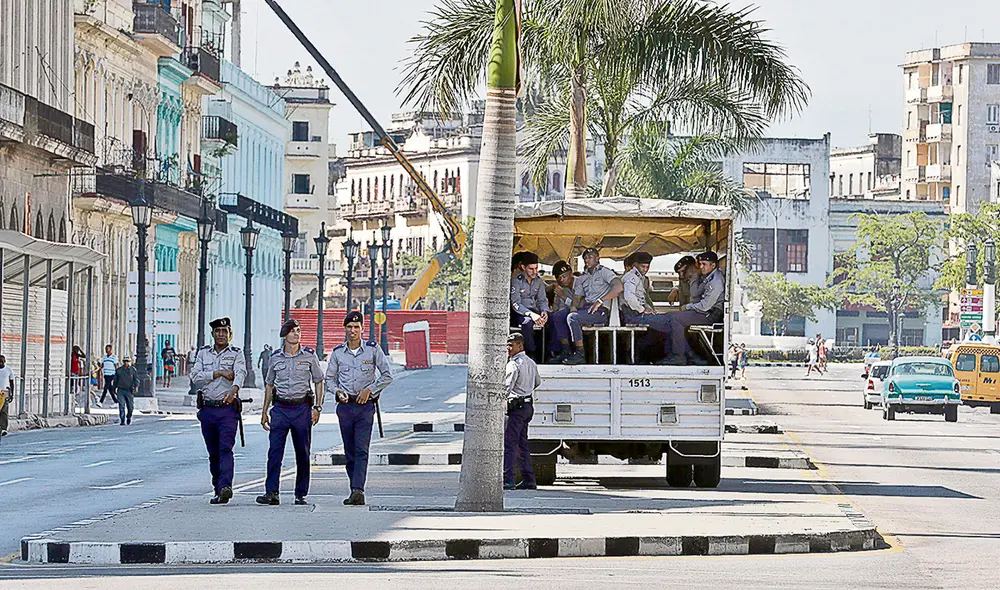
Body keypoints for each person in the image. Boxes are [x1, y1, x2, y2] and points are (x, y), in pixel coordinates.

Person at [326, 311, 394, 506]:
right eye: (349, 327)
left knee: (361, 449)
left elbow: (387, 375)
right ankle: (353, 487)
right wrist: (337, 391)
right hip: (346, 406)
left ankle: (358, 490)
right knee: (349, 451)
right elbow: (329, 379)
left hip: (365, 406)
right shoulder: (338, 352)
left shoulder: (373, 350)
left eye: (356, 327)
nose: (353, 331)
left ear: (363, 329)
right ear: (345, 329)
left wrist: (370, 390)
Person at [258, 320, 324, 506]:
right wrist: (264, 412)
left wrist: (318, 407)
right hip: (280, 409)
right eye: (292, 331)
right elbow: (269, 385)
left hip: (302, 408)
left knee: (302, 452)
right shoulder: (276, 357)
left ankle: (300, 493)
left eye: (298, 331)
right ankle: (272, 492)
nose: (296, 334)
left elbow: (319, 381)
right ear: (284, 335)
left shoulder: (309, 356)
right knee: (274, 452)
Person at [191, 317, 247, 505]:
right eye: (218, 332)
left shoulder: (236, 354)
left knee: (225, 448)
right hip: (208, 409)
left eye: (225, 332)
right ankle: (217, 488)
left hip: (227, 410)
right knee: (213, 452)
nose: (221, 335)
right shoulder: (203, 354)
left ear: (230, 334)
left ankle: (225, 486)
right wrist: (218, 373)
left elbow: (240, 373)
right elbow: (196, 377)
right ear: (213, 334)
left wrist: (234, 390)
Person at [658, 251, 726, 365]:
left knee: (675, 319)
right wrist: (694, 276)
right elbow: (696, 294)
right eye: (700, 264)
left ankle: (679, 356)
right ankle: (688, 355)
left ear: (713, 265)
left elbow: (704, 306)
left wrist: (687, 307)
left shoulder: (715, 281)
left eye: (704, 264)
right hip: (705, 312)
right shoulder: (708, 277)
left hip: (710, 314)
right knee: (669, 317)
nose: (701, 267)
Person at [564, 248, 622, 365]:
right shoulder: (582, 277)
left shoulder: (604, 272)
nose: (587, 260)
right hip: (587, 309)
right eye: (585, 258)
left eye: (590, 257)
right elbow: (577, 296)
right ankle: (565, 351)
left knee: (572, 318)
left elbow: (618, 287)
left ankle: (580, 354)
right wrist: (573, 307)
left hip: (600, 311)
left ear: (597, 258)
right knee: (560, 316)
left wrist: (601, 300)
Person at [504, 333, 541, 490]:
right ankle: (528, 479)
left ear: (520, 345)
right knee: (522, 445)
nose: (508, 348)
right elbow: (537, 382)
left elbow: (506, 388)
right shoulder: (531, 363)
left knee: (510, 444)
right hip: (527, 407)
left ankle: (508, 479)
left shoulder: (514, 364)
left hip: (516, 408)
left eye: (511, 345)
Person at [510, 252, 549, 358]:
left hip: (534, 310)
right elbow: (516, 304)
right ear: (523, 267)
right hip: (519, 313)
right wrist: (531, 315)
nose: (534, 271)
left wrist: (544, 311)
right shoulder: (516, 280)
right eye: (531, 269)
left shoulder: (539, 281)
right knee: (527, 322)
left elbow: (542, 300)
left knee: (551, 321)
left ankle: (550, 353)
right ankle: (530, 353)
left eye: (536, 268)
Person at [545, 260, 575, 363]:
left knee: (558, 317)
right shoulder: (561, 288)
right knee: (550, 317)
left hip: (578, 313)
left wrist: (563, 296)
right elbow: (556, 306)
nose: (562, 280)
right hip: (562, 315)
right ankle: (553, 351)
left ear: (570, 273)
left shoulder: (580, 284)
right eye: (559, 278)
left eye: (564, 276)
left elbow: (578, 306)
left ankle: (564, 350)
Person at [114, 357, 139, 426]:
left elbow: (136, 379)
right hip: (121, 390)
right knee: (121, 405)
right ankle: (122, 419)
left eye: (127, 361)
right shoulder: (119, 370)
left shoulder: (133, 370)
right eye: (125, 361)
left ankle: (129, 416)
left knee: (130, 406)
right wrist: (114, 389)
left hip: (129, 390)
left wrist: (136, 387)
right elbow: (115, 380)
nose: (126, 363)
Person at [0, 355, 13, 440]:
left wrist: (12, 394)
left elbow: (11, 383)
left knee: (4, 411)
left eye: (1, 362)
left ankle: (4, 428)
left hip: (4, 392)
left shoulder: (8, 370)